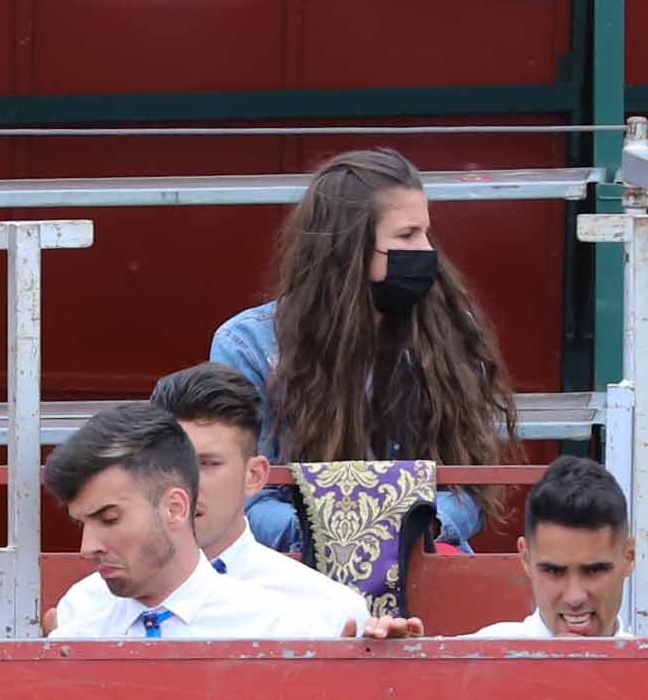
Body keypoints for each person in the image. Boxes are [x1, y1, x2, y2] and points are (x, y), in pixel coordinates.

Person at [208, 146, 518, 557]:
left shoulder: (449, 330)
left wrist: (414, 530)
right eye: (407, 235)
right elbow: (242, 497)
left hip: (424, 560)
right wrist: (347, 539)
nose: (427, 251)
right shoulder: (247, 344)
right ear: (349, 247)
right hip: (294, 573)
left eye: (426, 232)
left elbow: (468, 486)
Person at [51, 363, 370, 636]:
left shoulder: (324, 610)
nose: (186, 483)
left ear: (254, 476)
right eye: (169, 466)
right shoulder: (85, 606)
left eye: (206, 464)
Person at [468, 455, 630, 637]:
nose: (574, 598)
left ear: (629, 558)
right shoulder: (478, 656)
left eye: (593, 571)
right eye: (554, 572)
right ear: (525, 558)